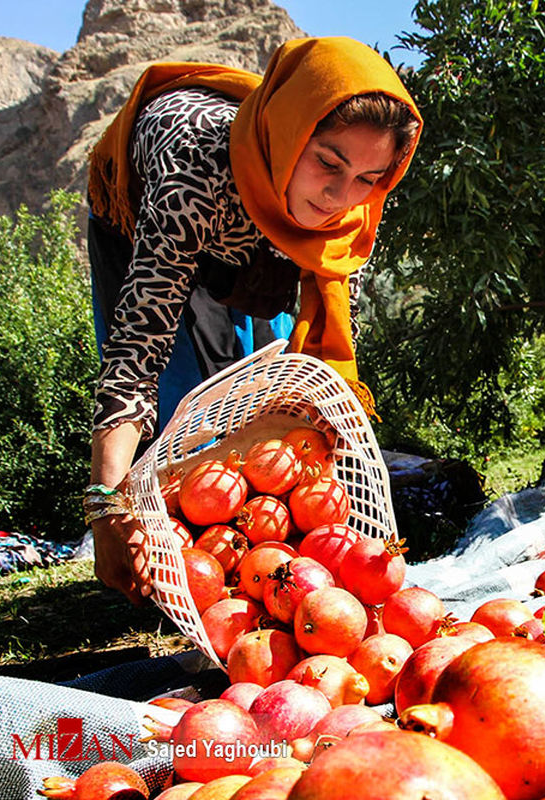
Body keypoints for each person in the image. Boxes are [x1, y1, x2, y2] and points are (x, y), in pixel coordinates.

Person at [80, 37, 423, 604]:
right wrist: (104, 508)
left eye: (368, 177)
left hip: (263, 231)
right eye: (329, 163)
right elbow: (136, 354)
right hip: (149, 212)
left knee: (259, 392)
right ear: (289, 137)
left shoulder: (351, 210)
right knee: (181, 404)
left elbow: (321, 352)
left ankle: (255, 565)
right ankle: (173, 558)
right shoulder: (192, 176)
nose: (342, 195)